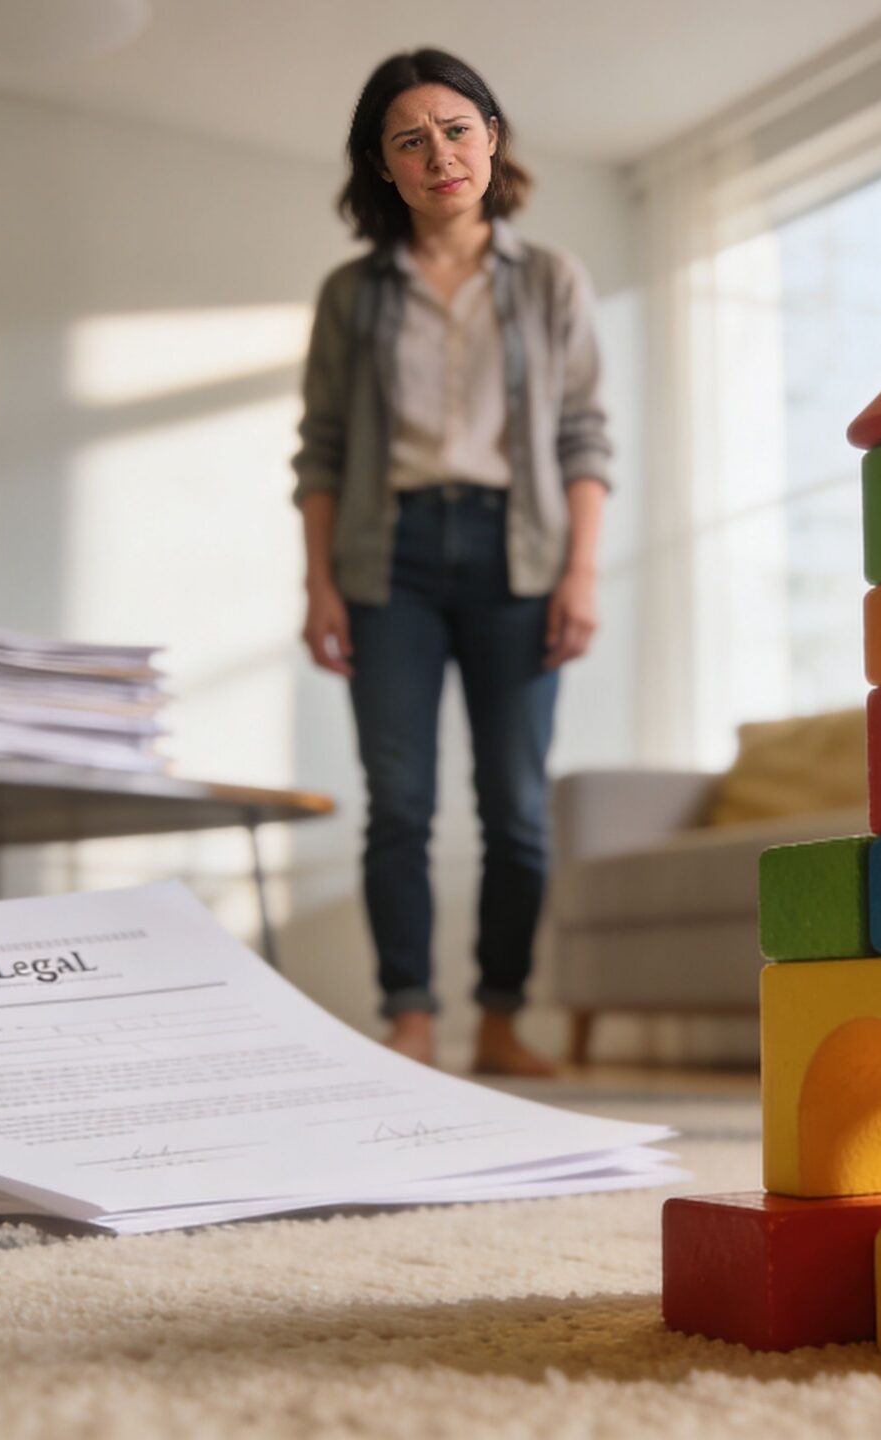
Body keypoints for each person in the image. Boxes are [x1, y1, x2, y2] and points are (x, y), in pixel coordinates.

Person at [291, 48, 611, 1076]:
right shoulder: (353, 295)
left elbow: (583, 436)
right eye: (410, 140)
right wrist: (319, 582)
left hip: (518, 556)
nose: (440, 154)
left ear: (493, 138)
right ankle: (412, 1016)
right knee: (400, 802)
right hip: (389, 560)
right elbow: (324, 449)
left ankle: (504, 1017)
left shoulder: (551, 280)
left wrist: (581, 572)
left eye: (457, 128)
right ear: (383, 167)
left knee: (517, 807)